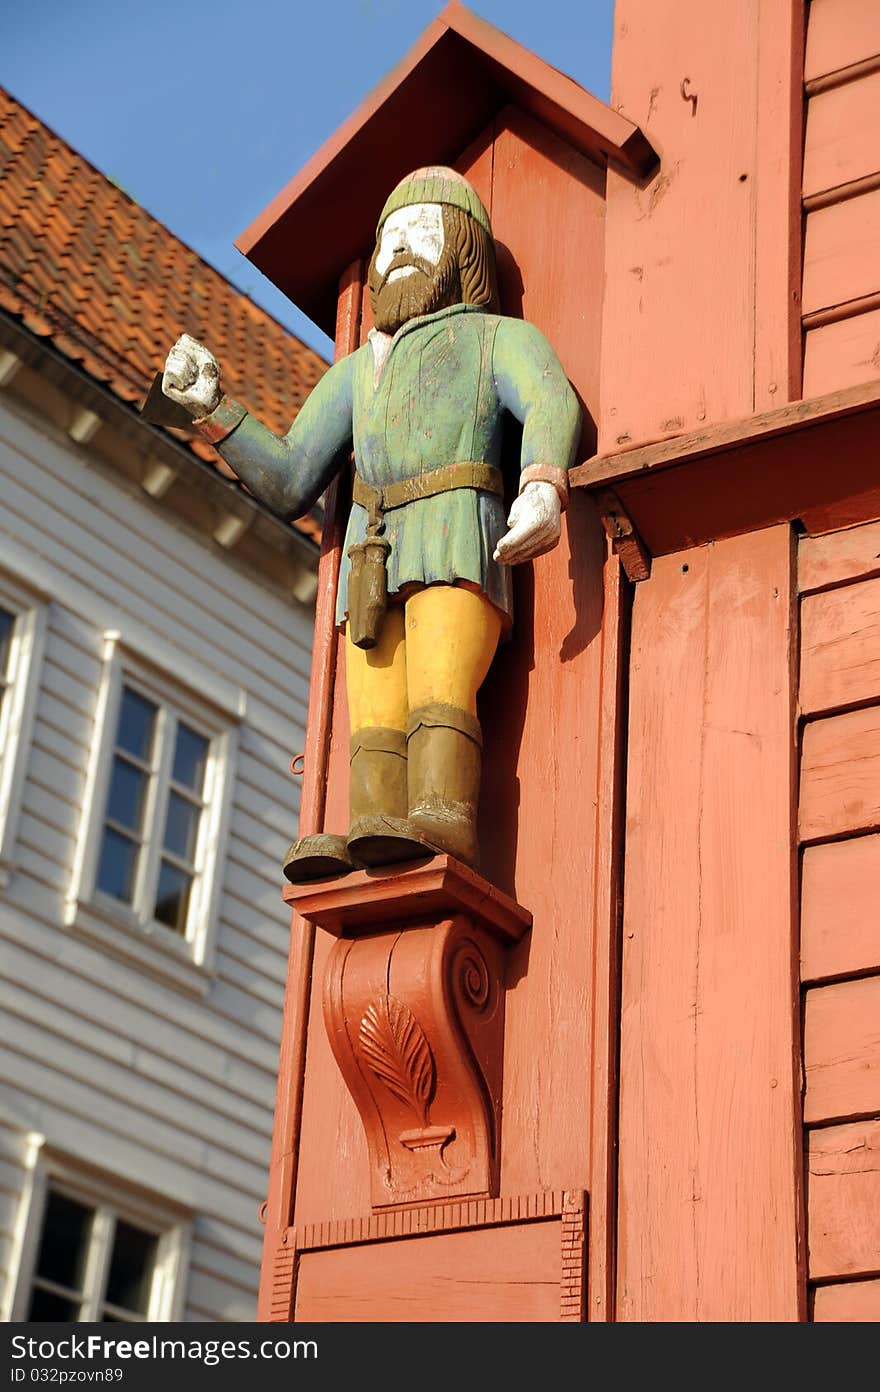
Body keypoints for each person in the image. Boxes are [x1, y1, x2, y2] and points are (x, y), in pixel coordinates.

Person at [162, 166, 581, 881]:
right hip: (370, 550)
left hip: (456, 525)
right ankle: (372, 825)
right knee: (376, 695)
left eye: (423, 234)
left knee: (442, 678)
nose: (401, 251)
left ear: (465, 253)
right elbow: (294, 475)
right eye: (390, 238)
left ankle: (443, 816)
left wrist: (542, 483)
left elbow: (550, 401)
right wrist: (214, 411)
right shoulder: (358, 370)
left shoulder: (494, 338)